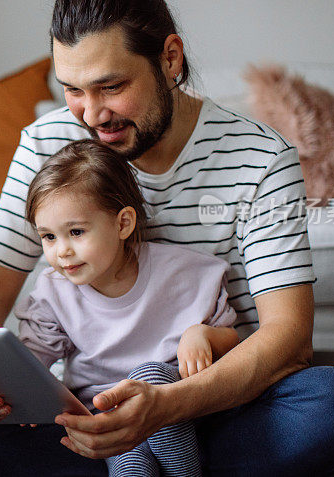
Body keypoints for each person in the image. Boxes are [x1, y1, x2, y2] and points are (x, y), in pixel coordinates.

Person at [0, 0, 334, 476]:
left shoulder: (261, 158)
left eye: (111, 87)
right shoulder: (45, 142)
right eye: (72, 90)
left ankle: (150, 461)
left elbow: (289, 336)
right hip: (90, 417)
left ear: (170, 57)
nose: (92, 116)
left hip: (219, 404)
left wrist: (165, 408)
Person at [16, 139, 240, 476]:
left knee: (149, 375)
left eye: (76, 232)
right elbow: (30, 362)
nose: (61, 251)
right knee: (130, 465)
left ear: (123, 224)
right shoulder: (53, 291)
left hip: (178, 410)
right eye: (48, 237)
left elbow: (235, 342)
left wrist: (203, 334)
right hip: (104, 417)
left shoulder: (181, 273)